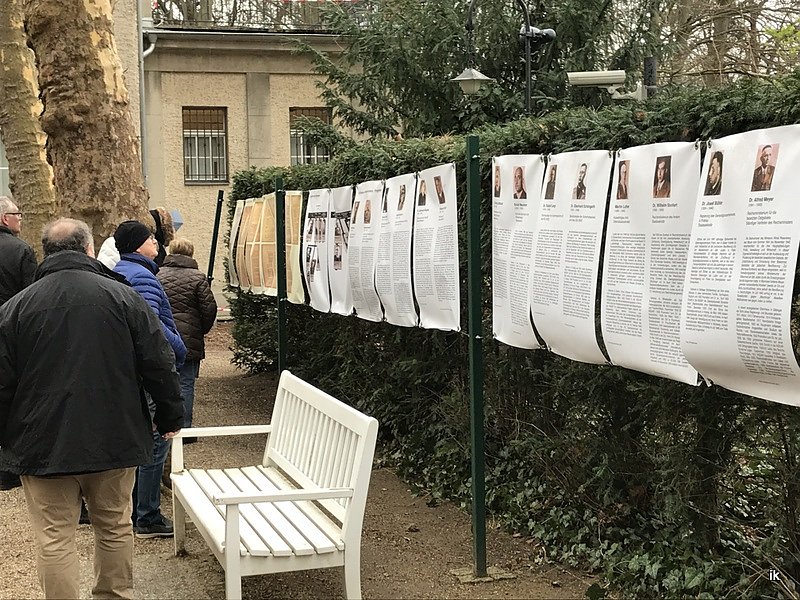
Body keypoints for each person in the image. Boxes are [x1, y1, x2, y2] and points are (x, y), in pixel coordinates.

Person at [0, 218, 182, 599]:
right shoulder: (123, 297)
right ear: (88, 249)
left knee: (54, 537)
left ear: (45, 252)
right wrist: (169, 416)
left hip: (42, 443)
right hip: (114, 436)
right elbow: (159, 361)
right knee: (114, 526)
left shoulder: (15, 309)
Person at [113, 220, 187, 539]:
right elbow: (152, 329)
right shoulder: (141, 276)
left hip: (132, 371)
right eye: (150, 238)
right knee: (156, 443)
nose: (156, 242)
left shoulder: (123, 271)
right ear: (136, 245)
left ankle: (135, 511)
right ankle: (147, 515)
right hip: (148, 372)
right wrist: (179, 347)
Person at [157, 238, 217, 437]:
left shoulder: (157, 274)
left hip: (163, 335)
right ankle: (185, 429)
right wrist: (200, 330)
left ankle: (163, 426)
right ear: (191, 253)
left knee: (162, 380)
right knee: (186, 383)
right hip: (189, 338)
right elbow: (209, 309)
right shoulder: (198, 278)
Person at [0, 197, 37, 492]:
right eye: (17, 213)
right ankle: (10, 465)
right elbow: (31, 296)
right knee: (13, 394)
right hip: (11, 332)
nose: (21, 217)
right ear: (4, 218)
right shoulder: (21, 250)